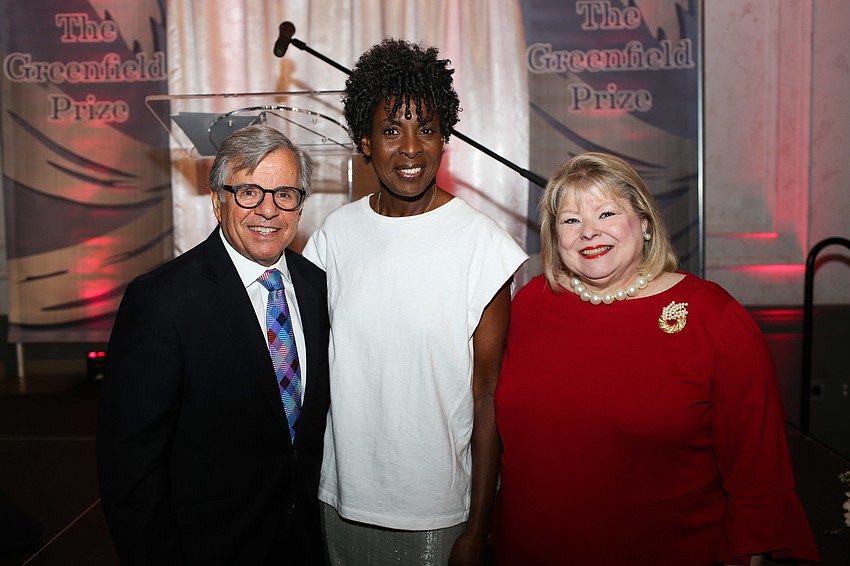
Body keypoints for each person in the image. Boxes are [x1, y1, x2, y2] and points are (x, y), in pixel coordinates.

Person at [491, 152, 820, 565]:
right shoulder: (529, 304)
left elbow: (757, 466)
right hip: (526, 551)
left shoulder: (712, 317)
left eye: (607, 213)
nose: (589, 232)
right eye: (571, 220)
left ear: (644, 223)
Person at [302, 38, 528, 565]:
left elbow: (487, 398)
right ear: (364, 140)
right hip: (338, 499)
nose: (410, 149)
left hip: (435, 511)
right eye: (391, 130)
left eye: (426, 129)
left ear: (444, 137)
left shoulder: (481, 245)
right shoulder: (335, 235)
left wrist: (479, 528)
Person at [97, 125, 330, 565]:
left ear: (300, 205)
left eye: (285, 194)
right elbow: (129, 465)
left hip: (303, 542)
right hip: (207, 549)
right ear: (217, 200)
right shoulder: (162, 300)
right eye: (249, 192)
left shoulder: (316, 286)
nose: (268, 210)